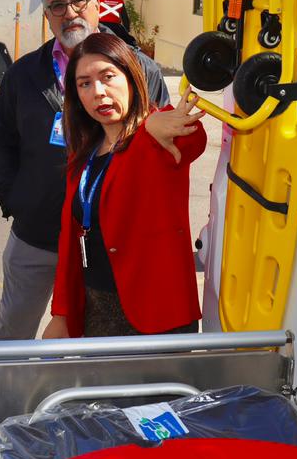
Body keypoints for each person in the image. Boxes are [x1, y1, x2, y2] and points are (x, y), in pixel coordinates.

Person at [0, 0, 168, 341]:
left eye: (78, 1)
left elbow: (163, 145)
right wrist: (15, 198)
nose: (69, 12)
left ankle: (75, 401)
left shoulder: (140, 70)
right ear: (48, 15)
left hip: (111, 242)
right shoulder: (24, 75)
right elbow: (0, 139)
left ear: (97, 5)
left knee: (98, 337)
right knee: (12, 333)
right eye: (57, 6)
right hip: (38, 236)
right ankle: (2, 400)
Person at [41, 32, 206, 339]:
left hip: (157, 315)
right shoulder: (84, 151)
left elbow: (192, 138)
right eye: (84, 84)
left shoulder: (157, 132)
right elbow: (70, 238)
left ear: (131, 77)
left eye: (108, 77)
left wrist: (150, 126)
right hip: (95, 309)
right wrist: (61, 313)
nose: (98, 92)